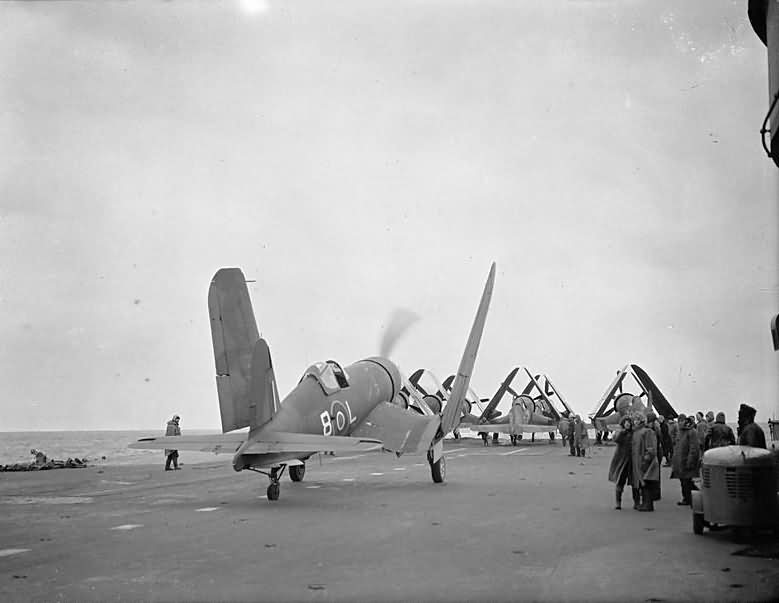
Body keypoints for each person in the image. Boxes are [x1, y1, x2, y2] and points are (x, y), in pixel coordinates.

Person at [608, 416, 638, 510]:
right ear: (623, 424)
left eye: (629, 422)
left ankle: (636, 502)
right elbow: (616, 439)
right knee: (620, 482)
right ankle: (618, 502)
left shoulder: (634, 433)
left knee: (635, 483)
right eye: (626, 422)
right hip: (622, 460)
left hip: (632, 461)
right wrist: (622, 432)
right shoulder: (620, 433)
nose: (628, 424)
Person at [631, 413, 659, 512]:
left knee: (646, 482)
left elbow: (651, 448)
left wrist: (646, 460)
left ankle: (648, 504)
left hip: (644, 462)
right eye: (635, 419)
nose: (635, 421)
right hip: (637, 462)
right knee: (642, 483)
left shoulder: (647, 432)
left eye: (638, 419)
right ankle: (644, 503)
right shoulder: (636, 432)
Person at [671, 415, 700, 506]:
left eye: (680, 421)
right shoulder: (681, 432)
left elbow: (694, 448)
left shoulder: (691, 432)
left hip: (687, 461)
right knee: (684, 481)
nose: (678, 423)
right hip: (680, 461)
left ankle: (696, 498)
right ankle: (687, 498)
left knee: (687, 481)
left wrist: (690, 461)